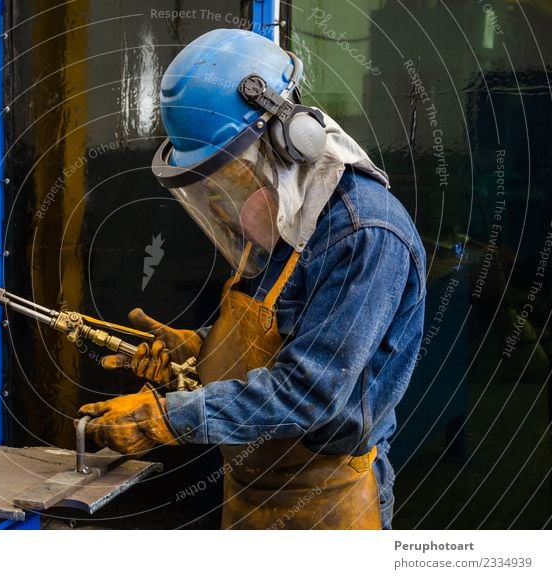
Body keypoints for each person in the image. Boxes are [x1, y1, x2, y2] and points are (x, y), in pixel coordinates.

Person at [78, 29, 426, 530]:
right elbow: (279, 331)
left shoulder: (365, 234)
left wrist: (166, 418)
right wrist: (199, 350)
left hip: (328, 496)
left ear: (292, 139)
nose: (229, 207)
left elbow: (308, 391)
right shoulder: (289, 214)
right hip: (249, 487)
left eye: (233, 179)